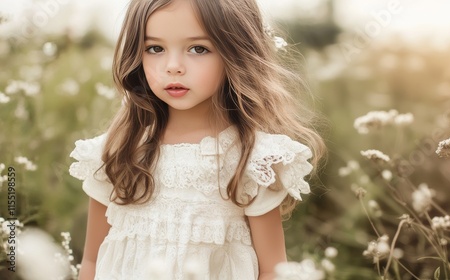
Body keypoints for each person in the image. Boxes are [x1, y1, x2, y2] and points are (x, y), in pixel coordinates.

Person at [69, 0, 325, 279]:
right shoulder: (119, 150)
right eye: (155, 48)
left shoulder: (251, 158)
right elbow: (92, 262)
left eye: (198, 49)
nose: (173, 66)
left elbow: (273, 271)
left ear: (235, 53)